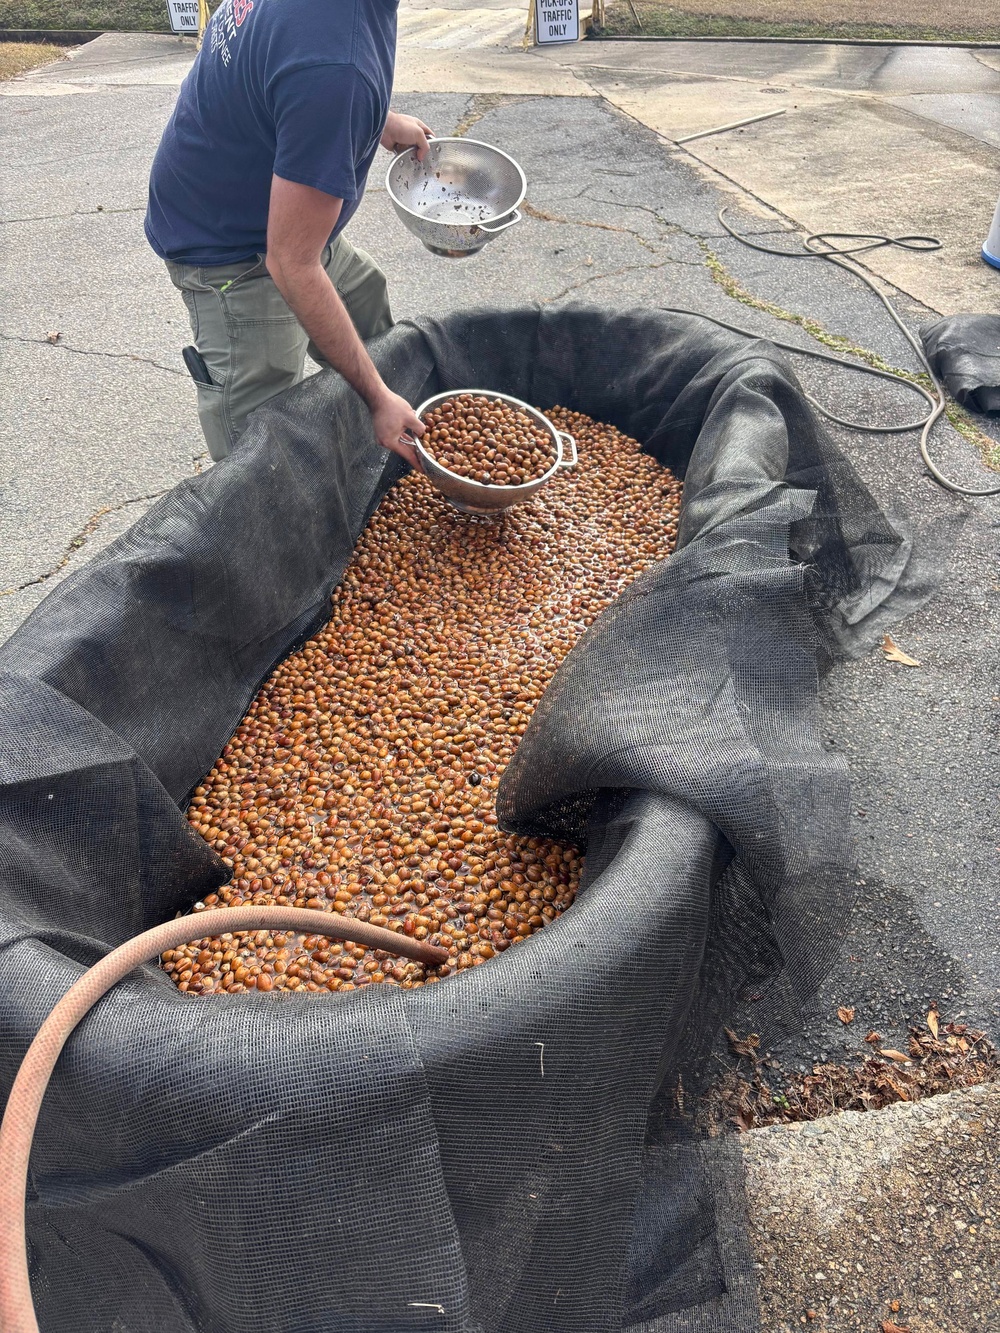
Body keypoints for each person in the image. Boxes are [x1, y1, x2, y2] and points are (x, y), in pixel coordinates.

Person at [145, 0, 430, 466]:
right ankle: (263, 528)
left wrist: (376, 117)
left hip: (290, 219)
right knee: (261, 452)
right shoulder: (337, 71)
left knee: (369, 309)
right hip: (229, 247)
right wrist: (379, 399)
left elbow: (286, 68)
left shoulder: (337, 59)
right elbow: (292, 263)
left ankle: (372, 454)